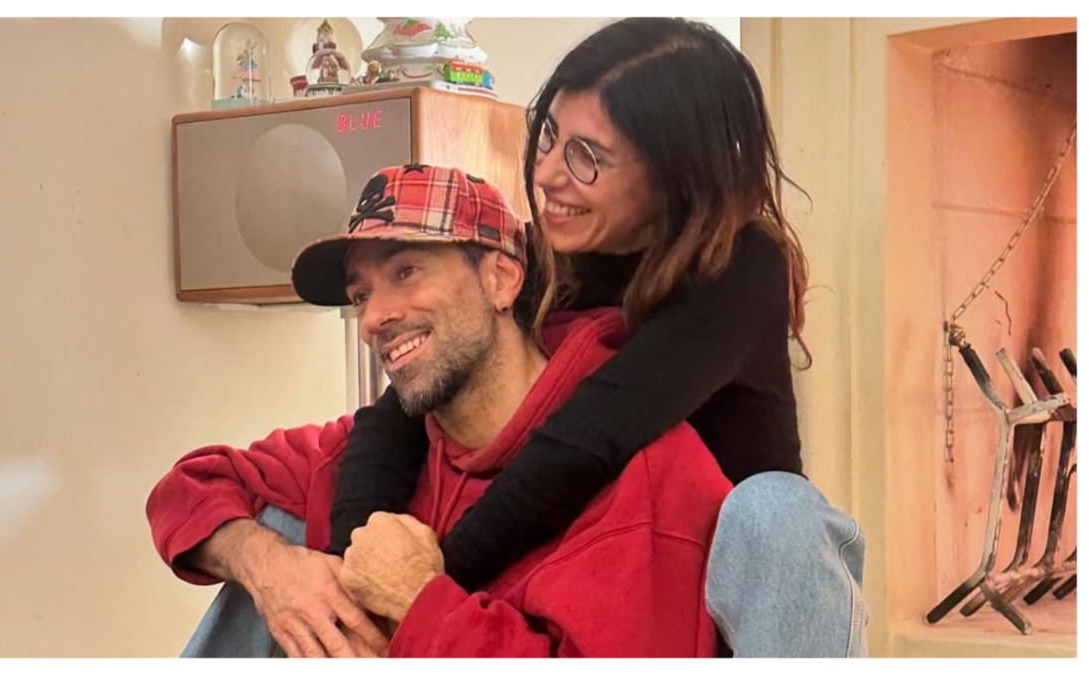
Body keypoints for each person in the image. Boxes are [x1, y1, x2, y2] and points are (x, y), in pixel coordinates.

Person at [328, 18, 868, 658]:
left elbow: (586, 439)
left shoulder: (739, 268)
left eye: (588, 157)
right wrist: (353, 573)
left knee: (777, 509)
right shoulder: (546, 260)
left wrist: (430, 585)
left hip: (732, 601)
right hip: (610, 579)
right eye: (549, 136)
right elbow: (394, 418)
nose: (548, 174)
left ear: (674, 173)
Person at [146, 164, 732, 658]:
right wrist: (272, 572)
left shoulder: (648, 477)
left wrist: (419, 601)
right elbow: (187, 488)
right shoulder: (373, 451)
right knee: (271, 532)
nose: (374, 318)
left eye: (406, 271)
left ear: (502, 278)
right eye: (361, 295)